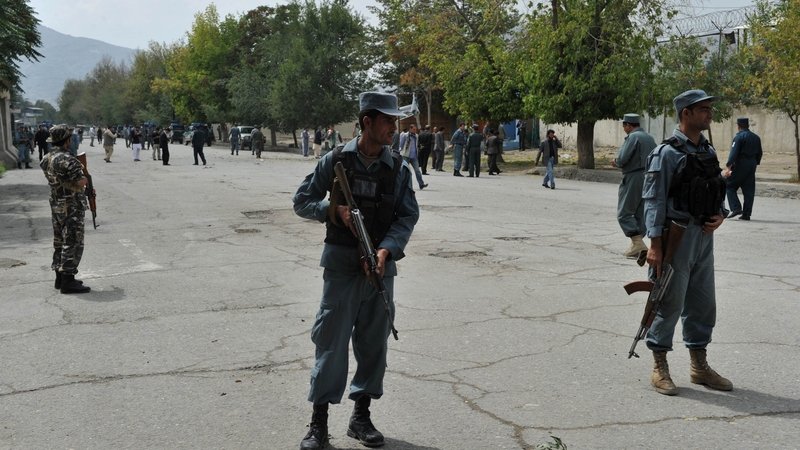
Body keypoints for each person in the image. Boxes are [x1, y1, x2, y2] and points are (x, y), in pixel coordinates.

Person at [292, 92, 419, 450]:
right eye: (387, 121)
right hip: (341, 268)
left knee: (373, 344)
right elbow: (302, 201)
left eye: (395, 121)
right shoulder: (335, 161)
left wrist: (385, 250)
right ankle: (319, 424)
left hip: (378, 270)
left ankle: (360, 416)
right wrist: (335, 212)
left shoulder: (397, 168)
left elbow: (408, 216)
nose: (394, 127)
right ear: (366, 122)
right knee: (331, 344)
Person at [642, 89, 731, 396]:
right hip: (675, 238)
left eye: (709, 108)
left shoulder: (707, 149)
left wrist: (721, 215)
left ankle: (699, 365)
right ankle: (659, 366)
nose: (709, 113)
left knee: (703, 303)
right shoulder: (665, 153)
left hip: (703, 238)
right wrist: (654, 246)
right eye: (703, 109)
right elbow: (653, 202)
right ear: (686, 114)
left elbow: (716, 188)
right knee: (669, 302)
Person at [39, 124, 91, 294]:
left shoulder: (47, 158)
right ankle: (68, 279)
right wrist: (85, 180)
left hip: (56, 204)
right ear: (67, 140)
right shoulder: (67, 159)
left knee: (59, 240)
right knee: (73, 240)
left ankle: (59, 277)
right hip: (71, 205)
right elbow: (79, 181)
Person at [611, 114, 657, 260]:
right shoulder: (650, 137)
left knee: (624, 212)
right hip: (649, 176)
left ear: (628, 125)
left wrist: (616, 162)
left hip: (634, 176)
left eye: (624, 126)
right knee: (640, 211)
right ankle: (637, 244)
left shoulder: (633, 137)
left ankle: (637, 242)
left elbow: (623, 158)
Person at [724, 118, 763, 221]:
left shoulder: (739, 137)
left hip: (741, 163)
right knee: (749, 189)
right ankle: (746, 214)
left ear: (739, 126)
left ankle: (736, 208)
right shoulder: (756, 137)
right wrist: (755, 163)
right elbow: (760, 153)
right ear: (748, 125)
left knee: (730, 186)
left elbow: (734, 152)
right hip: (752, 163)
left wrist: (729, 167)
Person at [399, 123, 428, 189]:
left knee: (417, 170)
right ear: (410, 129)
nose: (415, 130)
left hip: (414, 156)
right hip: (406, 155)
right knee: (404, 170)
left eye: (416, 129)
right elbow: (401, 145)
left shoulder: (416, 136)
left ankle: (421, 184)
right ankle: (402, 184)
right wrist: (400, 153)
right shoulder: (405, 135)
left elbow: (417, 144)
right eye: (414, 129)